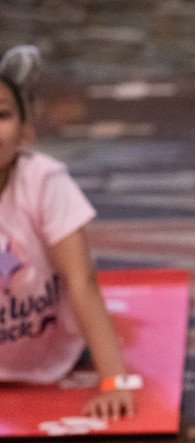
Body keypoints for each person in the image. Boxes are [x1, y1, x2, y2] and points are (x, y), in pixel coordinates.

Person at [0, 45, 139, 419]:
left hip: (57, 353)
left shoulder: (44, 181)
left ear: (26, 128)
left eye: (1, 115)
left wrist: (114, 381)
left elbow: (82, 280)